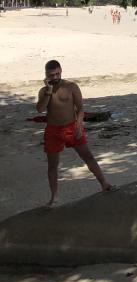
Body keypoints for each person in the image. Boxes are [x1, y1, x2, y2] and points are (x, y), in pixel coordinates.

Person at [35, 60, 115, 207]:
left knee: (88, 156)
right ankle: (54, 197)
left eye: (58, 73)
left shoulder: (71, 87)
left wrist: (79, 124)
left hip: (71, 127)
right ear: (46, 75)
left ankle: (104, 183)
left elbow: (80, 108)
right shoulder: (43, 91)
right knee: (53, 165)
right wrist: (48, 92)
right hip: (53, 130)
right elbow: (40, 110)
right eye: (51, 75)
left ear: (61, 71)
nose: (55, 77)